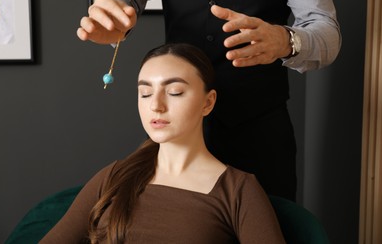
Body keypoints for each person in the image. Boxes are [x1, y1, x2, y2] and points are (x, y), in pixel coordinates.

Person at [77, 0, 342, 201]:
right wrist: (111, 9)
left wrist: (286, 40)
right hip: (180, 131)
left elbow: (326, 29)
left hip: (260, 129)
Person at [40, 43, 285, 243]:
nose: (155, 105)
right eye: (145, 93)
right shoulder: (114, 176)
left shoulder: (238, 190)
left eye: (175, 91)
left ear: (208, 102)